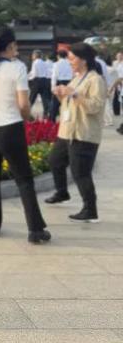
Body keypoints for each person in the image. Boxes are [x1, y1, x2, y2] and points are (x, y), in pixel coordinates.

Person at [0, 27, 51, 244]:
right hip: (10, 128)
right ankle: (35, 230)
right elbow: (24, 104)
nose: (16, 49)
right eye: (15, 45)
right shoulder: (17, 68)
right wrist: (27, 117)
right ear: (9, 46)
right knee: (24, 180)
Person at [45, 42, 107, 222]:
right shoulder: (77, 77)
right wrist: (61, 94)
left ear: (84, 60)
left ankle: (90, 210)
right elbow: (70, 103)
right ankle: (62, 192)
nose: (70, 62)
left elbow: (95, 107)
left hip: (84, 133)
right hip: (67, 131)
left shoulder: (95, 80)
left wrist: (73, 93)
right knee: (55, 160)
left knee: (81, 172)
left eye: (72, 59)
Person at [50, 49, 73, 122]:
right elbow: (73, 74)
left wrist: (53, 87)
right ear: (66, 56)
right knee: (68, 103)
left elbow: (54, 76)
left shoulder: (56, 64)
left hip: (59, 83)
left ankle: (52, 121)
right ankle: (67, 120)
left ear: (58, 56)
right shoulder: (70, 63)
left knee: (55, 104)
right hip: (69, 83)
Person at [28, 50, 50, 118]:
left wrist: (29, 78)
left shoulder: (35, 63)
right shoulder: (45, 63)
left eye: (33, 55)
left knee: (32, 98)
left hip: (37, 81)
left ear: (35, 55)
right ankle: (45, 114)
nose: (32, 56)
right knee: (44, 99)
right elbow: (47, 73)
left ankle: (27, 112)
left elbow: (34, 73)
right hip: (44, 80)